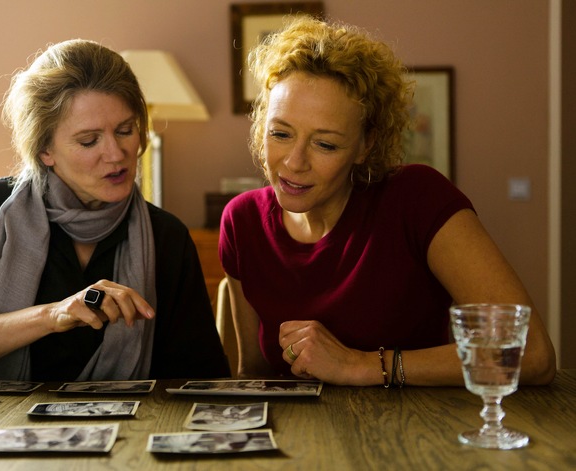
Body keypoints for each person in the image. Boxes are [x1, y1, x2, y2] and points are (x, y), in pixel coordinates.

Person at [219, 16, 556, 387]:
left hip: (417, 433)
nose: (294, 162)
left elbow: (531, 353)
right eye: (280, 133)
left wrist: (360, 365)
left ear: (366, 145)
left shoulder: (417, 198)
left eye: (325, 144)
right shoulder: (242, 220)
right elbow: (253, 375)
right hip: (299, 439)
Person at [0, 39, 230, 382]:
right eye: (89, 140)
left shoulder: (167, 237)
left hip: (126, 431)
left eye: (126, 130)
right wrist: (51, 315)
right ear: (44, 151)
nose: (116, 154)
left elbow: (200, 380)